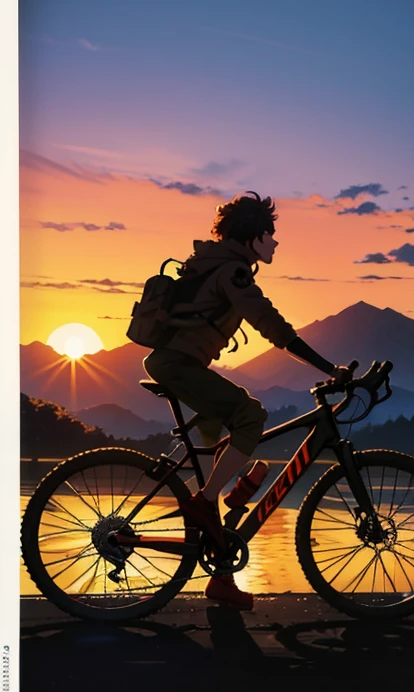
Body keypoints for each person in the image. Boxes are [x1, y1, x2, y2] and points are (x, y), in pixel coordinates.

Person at [143, 192, 353, 610]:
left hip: (180, 364)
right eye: (270, 235)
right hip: (179, 366)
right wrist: (329, 368)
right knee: (249, 414)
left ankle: (220, 577)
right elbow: (270, 324)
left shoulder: (212, 264)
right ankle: (205, 504)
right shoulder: (234, 272)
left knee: (211, 471)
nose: (274, 243)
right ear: (253, 237)